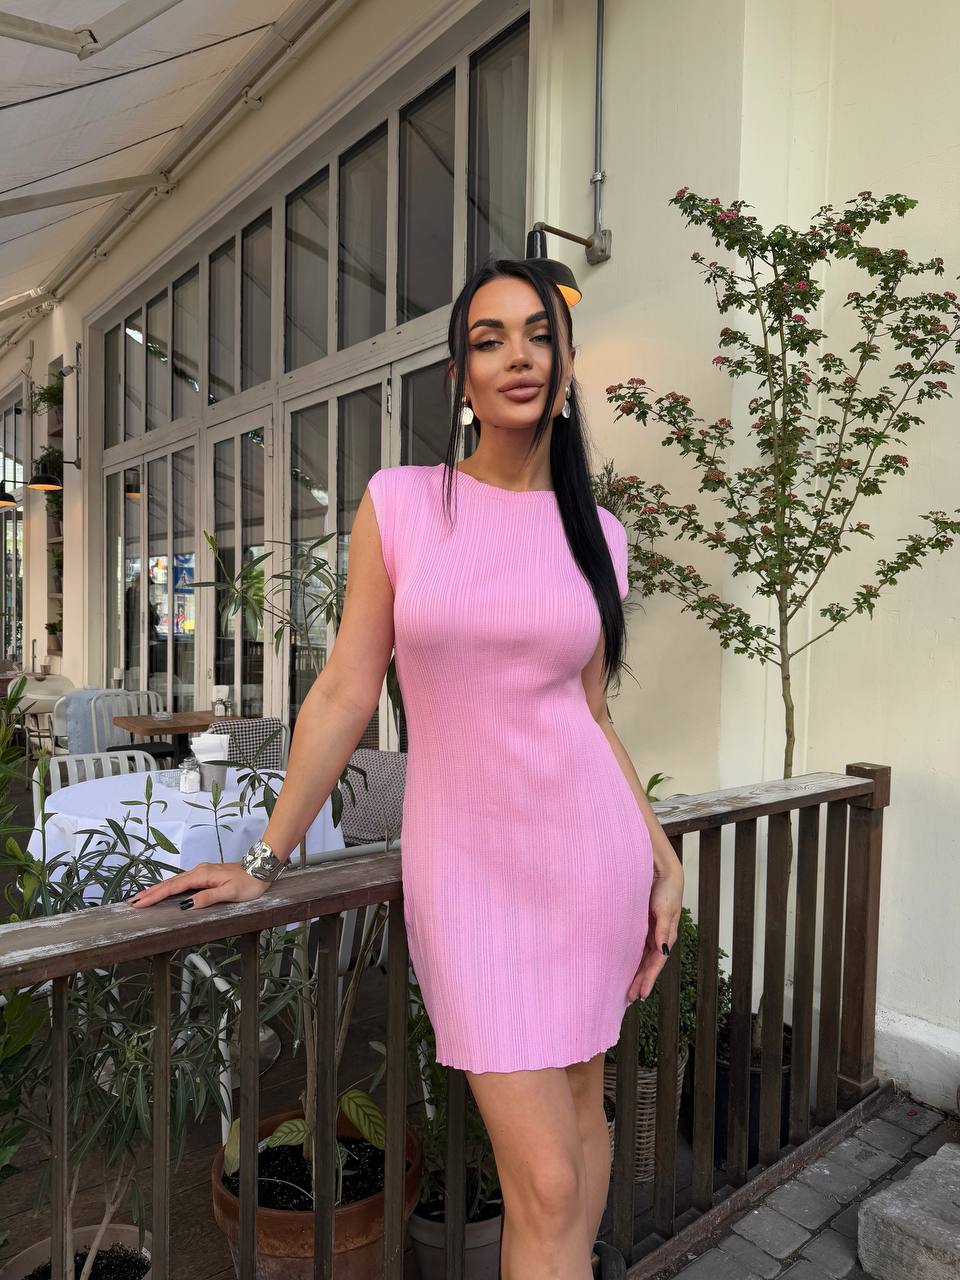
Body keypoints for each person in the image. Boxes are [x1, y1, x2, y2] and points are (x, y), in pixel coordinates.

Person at [128, 258, 685, 1280]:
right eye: (488, 338)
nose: (517, 354)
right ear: (458, 377)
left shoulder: (598, 533)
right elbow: (346, 686)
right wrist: (268, 852)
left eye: (536, 334)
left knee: (580, 1118)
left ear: (563, 365)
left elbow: (593, 711)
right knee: (548, 1178)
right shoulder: (404, 504)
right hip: (472, 877)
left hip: (592, 865)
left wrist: (659, 851)